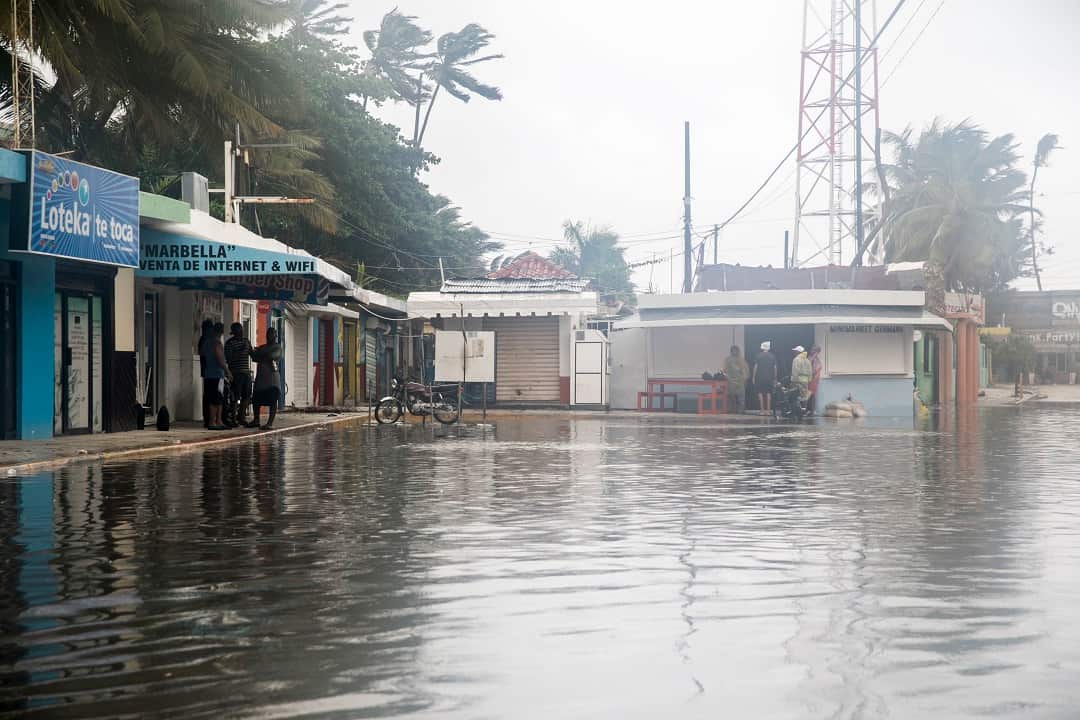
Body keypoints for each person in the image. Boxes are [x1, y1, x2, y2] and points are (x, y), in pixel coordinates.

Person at [248, 327, 283, 430]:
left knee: (272, 401)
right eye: (269, 334)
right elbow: (255, 357)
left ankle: (270, 423)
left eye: (272, 334)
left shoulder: (277, 347)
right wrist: (252, 351)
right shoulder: (263, 347)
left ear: (275, 336)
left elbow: (272, 356)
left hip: (272, 379)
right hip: (261, 378)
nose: (270, 336)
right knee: (256, 399)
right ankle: (256, 420)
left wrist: (259, 352)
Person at [199, 322, 232, 430]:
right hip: (217, 374)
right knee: (216, 399)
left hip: (208, 374)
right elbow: (220, 359)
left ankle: (218, 421)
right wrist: (227, 371)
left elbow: (202, 356)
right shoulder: (216, 343)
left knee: (214, 398)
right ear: (221, 332)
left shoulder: (206, 342)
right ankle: (214, 421)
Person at [225, 322, 254, 426]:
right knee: (235, 397)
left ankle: (241, 417)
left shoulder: (246, 341)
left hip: (246, 373)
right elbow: (229, 359)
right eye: (239, 330)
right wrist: (240, 351)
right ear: (234, 332)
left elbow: (252, 354)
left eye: (241, 330)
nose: (241, 332)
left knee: (247, 396)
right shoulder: (229, 343)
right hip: (235, 373)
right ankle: (233, 419)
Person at [197, 319, 214, 429]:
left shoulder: (205, 340)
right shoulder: (205, 340)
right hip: (209, 371)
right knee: (209, 396)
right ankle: (208, 418)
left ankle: (208, 418)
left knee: (208, 395)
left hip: (207, 370)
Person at [751, 341, 777, 415]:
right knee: (769, 393)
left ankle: (762, 410)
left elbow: (755, 367)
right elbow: (775, 367)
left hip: (759, 377)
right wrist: (775, 377)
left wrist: (753, 377)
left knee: (760, 393)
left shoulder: (758, 356)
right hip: (769, 377)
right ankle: (768, 411)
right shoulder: (772, 356)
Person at [722, 345, 749, 414]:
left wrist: (744, 379)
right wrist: (727, 377)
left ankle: (741, 410)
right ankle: (732, 410)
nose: (735, 352)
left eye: (736, 350)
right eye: (733, 350)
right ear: (731, 351)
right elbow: (724, 370)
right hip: (731, 381)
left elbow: (745, 370)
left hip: (740, 381)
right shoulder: (728, 360)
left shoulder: (741, 360)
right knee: (731, 397)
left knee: (741, 398)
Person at [807, 345, 823, 414]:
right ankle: (808, 409)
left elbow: (818, 368)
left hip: (814, 379)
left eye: (814, 350)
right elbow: (808, 365)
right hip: (809, 379)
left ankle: (812, 410)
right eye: (812, 349)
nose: (812, 351)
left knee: (812, 394)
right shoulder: (810, 358)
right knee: (808, 394)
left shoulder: (816, 359)